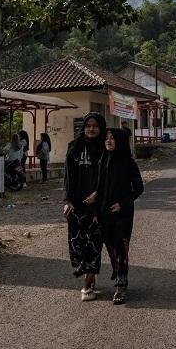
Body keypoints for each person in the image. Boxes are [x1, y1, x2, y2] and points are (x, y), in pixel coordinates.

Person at [98, 127, 144, 304]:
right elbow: (99, 186)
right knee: (109, 244)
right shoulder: (102, 160)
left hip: (123, 213)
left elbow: (139, 188)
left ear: (120, 141)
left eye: (112, 138)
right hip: (104, 211)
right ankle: (118, 272)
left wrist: (122, 203)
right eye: (106, 138)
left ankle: (121, 285)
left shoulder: (128, 162)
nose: (108, 141)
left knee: (121, 245)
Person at [63, 112, 106, 300]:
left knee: (94, 244)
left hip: (97, 207)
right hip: (76, 207)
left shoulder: (105, 148)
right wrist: (67, 201)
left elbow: (109, 176)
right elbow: (67, 176)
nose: (91, 129)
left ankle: (87, 285)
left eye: (95, 126)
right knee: (78, 246)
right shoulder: (73, 147)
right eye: (88, 125)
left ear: (101, 128)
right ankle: (90, 277)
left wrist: (99, 194)